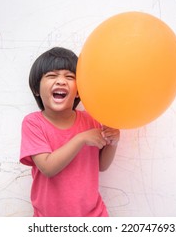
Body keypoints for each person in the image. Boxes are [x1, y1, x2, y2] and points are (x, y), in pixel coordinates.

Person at [20, 47, 120, 217]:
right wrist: (80, 139)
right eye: (52, 76)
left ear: (78, 91)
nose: (61, 81)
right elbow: (48, 168)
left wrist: (113, 143)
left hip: (94, 216)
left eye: (70, 77)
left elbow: (101, 166)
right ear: (36, 89)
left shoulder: (91, 120)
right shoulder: (33, 123)